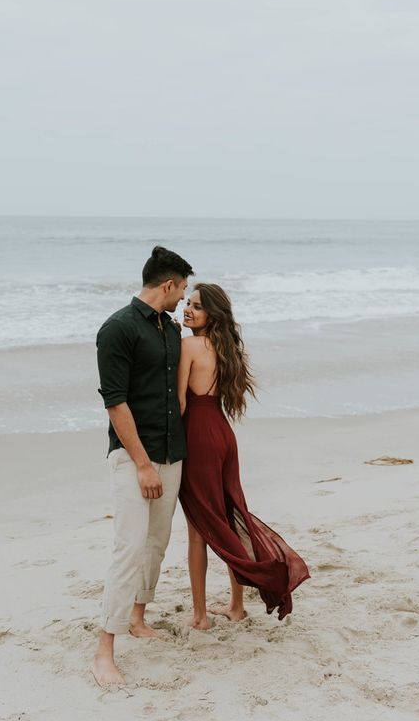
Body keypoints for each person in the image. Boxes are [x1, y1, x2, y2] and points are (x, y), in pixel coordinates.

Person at [177, 283, 309, 630]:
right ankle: (236, 606)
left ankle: (201, 616)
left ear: (212, 314)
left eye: (197, 307)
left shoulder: (188, 345)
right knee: (228, 517)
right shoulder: (227, 348)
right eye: (187, 303)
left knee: (199, 530)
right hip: (222, 435)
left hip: (199, 438)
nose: (188, 310)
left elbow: (178, 404)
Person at [92, 245, 194, 686]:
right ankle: (104, 650)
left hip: (172, 454)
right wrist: (142, 465)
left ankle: (138, 617)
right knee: (129, 547)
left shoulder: (171, 330)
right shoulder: (117, 329)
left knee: (156, 542)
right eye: (183, 289)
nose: (183, 298)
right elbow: (115, 403)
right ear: (168, 285)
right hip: (135, 458)